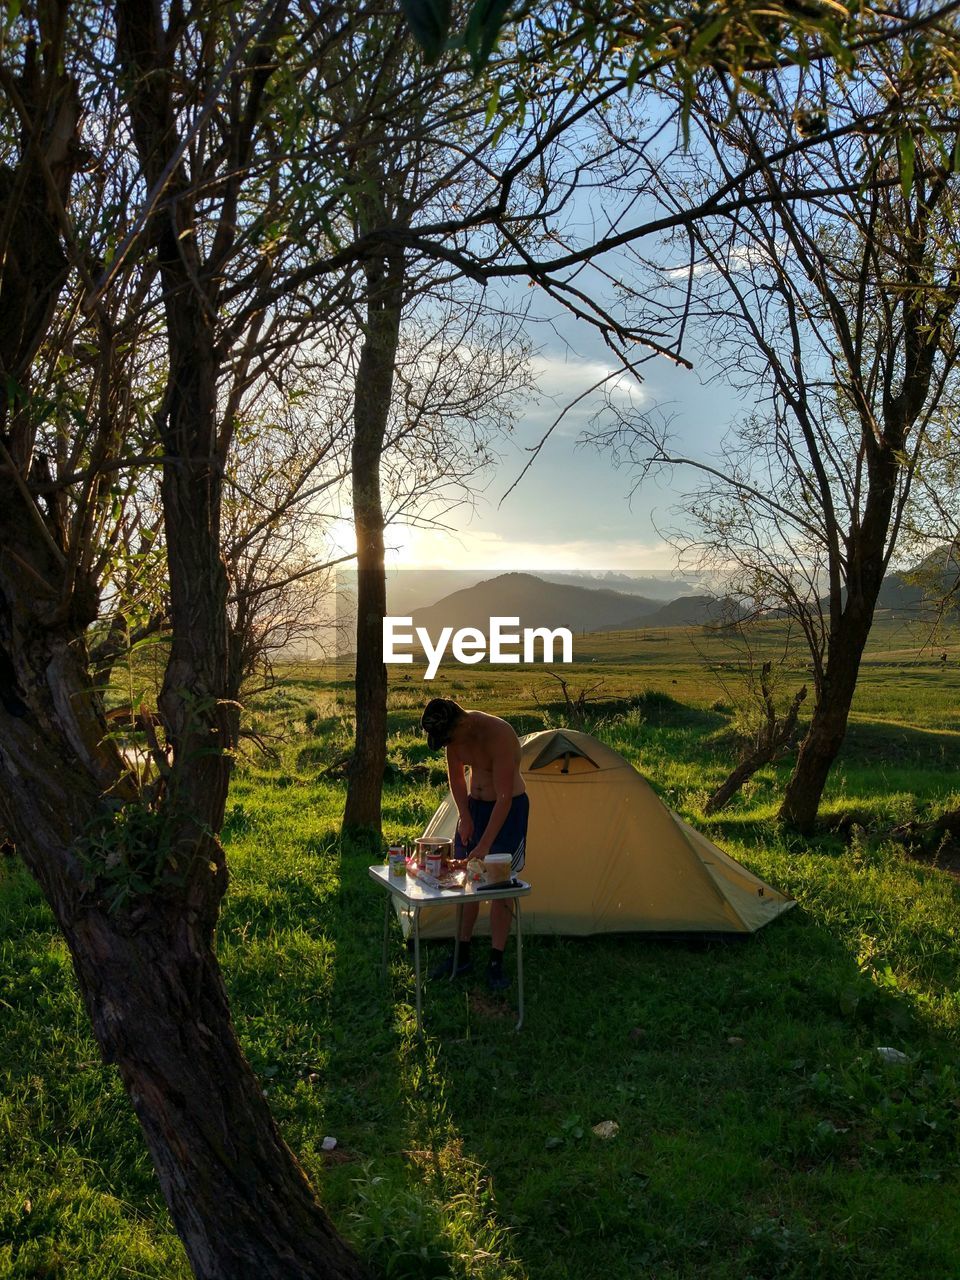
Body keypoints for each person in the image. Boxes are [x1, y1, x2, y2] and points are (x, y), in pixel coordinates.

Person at [420, 697, 529, 991]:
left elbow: (505, 798)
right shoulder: (454, 738)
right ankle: (462, 953)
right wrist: (465, 816)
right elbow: (456, 778)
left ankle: (496, 960)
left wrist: (485, 844)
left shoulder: (500, 736)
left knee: (499, 886)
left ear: (464, 723)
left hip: (507, 812)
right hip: (476, 809)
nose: (448, 745)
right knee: (465, 881)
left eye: (448, 739)